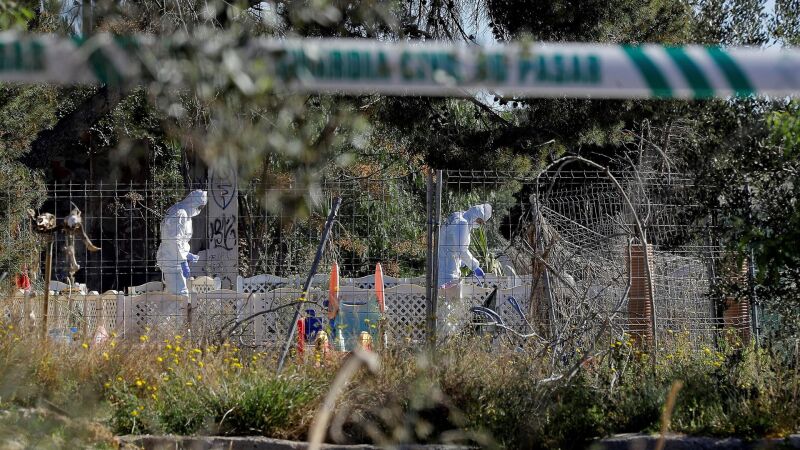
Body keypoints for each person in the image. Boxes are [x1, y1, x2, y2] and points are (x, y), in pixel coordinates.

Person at [436, 203, 492, 336]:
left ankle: (442, 338)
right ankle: (446, 340)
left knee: (444, 309)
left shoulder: (456, 217)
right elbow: (462, 250)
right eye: (480, 221)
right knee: (450, 309)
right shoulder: (462, 223)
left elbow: (450, 245)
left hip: (443, 268)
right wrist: (475, 265)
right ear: (476, 214)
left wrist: (460, 262)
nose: (479, 225)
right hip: (449, 273)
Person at [156, 190, 207, 294]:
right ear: (194, 203)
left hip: (174, 259)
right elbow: (174, 240)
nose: (199, 210)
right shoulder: (180, 213)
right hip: (171, 261)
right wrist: (183, 260)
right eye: (200, 207)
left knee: (178, 295)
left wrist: (186, 254)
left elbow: (179, 240)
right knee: (180, 295)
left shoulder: (184, 213)